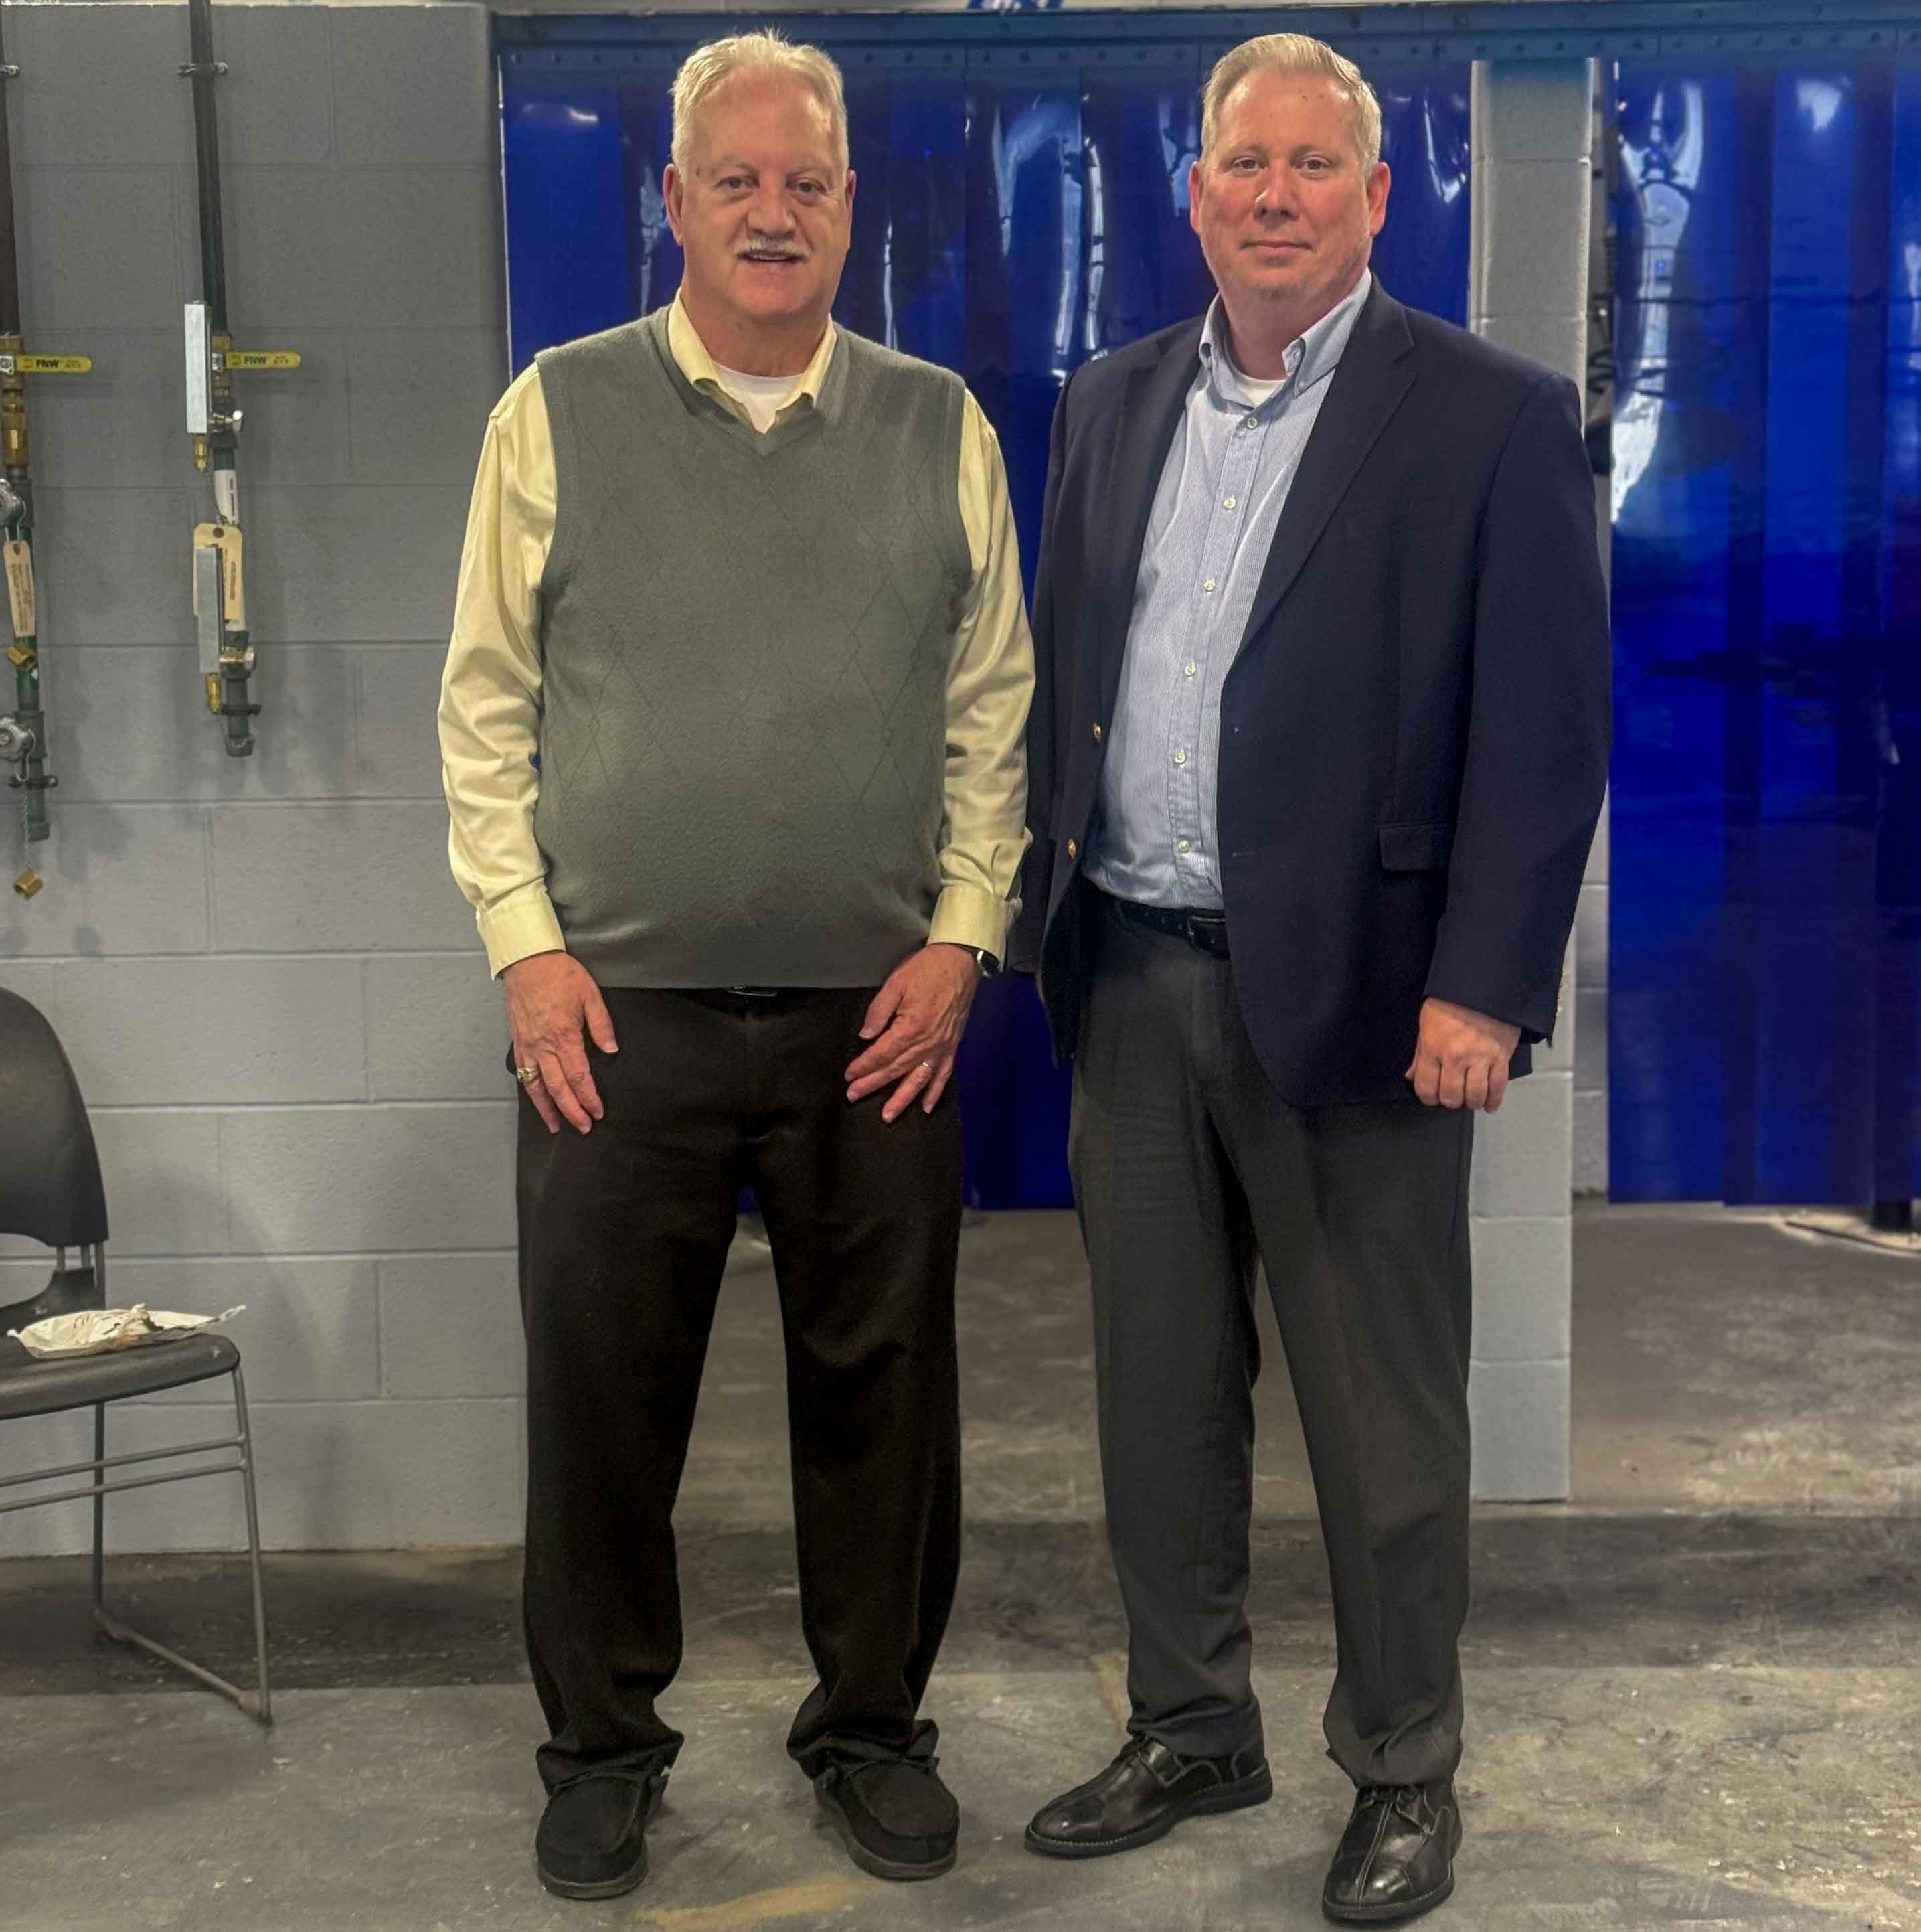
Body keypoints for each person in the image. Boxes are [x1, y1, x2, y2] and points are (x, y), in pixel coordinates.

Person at [1012, 31, 1609, 1925]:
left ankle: (1406, 1765)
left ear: (1375, 195)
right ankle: (1194, 1726)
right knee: (1156, 1401)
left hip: (1365, 1001)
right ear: (1195, 195)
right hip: (1127, 980)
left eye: (1312, 166)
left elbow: (1543, 731)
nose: (1273, 195)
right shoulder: (1105, 404)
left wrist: (1483, 987)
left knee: (1382, 1420)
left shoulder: (1490, 416)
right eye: (1241, 164)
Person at [438, 29, 1032, 1901]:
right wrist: (527, 958)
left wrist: (963, 938)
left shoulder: (944, 427)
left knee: (888, 1401)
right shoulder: (555, 412)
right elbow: (483, 709)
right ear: (672, 199)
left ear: (851, 207)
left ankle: (870, 1729)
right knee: (604, 1397)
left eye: (807, 182)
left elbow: (991, 718)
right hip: (614, 1025)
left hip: (882, 1025)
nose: (772, 212)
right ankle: (603, 1745)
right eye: (736, 180)